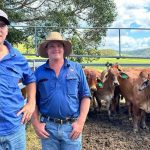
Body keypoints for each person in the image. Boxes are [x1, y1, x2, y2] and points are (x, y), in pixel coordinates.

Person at [32, 31, 91, 150]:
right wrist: (36, 124)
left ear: (64, 49)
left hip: (71, 127)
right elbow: (32, 101)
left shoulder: (76, 68)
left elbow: (85, 96)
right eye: (52, 46)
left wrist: (80, 123)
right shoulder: (39, 72)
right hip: (48, 127)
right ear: (47, 50)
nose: (56, 49)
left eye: (59, 45)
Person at [0, 9, 36, 149]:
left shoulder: (17, 57)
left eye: (2, 25)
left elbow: (31, 79)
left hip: (14, 127)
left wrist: (31, 103)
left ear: (7, 30)